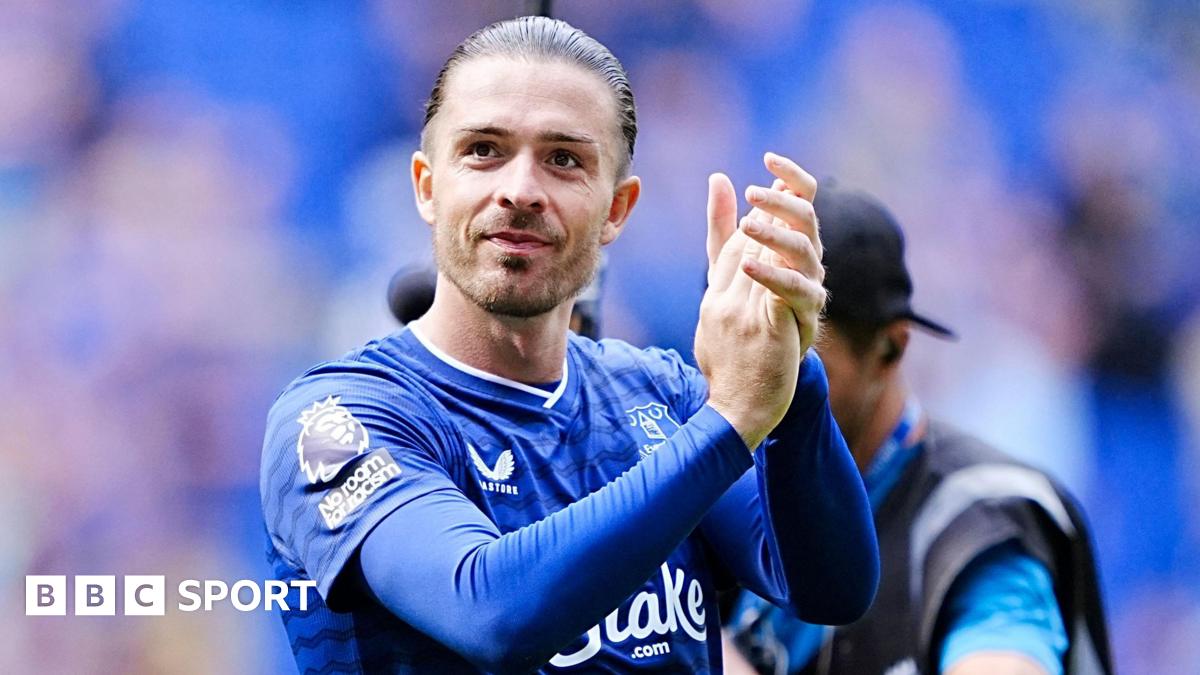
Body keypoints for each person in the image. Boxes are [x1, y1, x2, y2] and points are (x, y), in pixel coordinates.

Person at [259, 16, 879, 674]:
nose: (521, 191)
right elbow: (492, 614)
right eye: (484, 150)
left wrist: (790, 373)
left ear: (617, 210)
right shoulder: (338, 420)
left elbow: (829, 589)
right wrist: (731, 419)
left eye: (563, 159)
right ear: (427, 187)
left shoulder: (660, 394)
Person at [724, 185, 1113, 675]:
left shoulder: (978, 521)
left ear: (890, 349)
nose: (762, 389)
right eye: (745, 350)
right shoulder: (716, 492)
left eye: (799, 366)